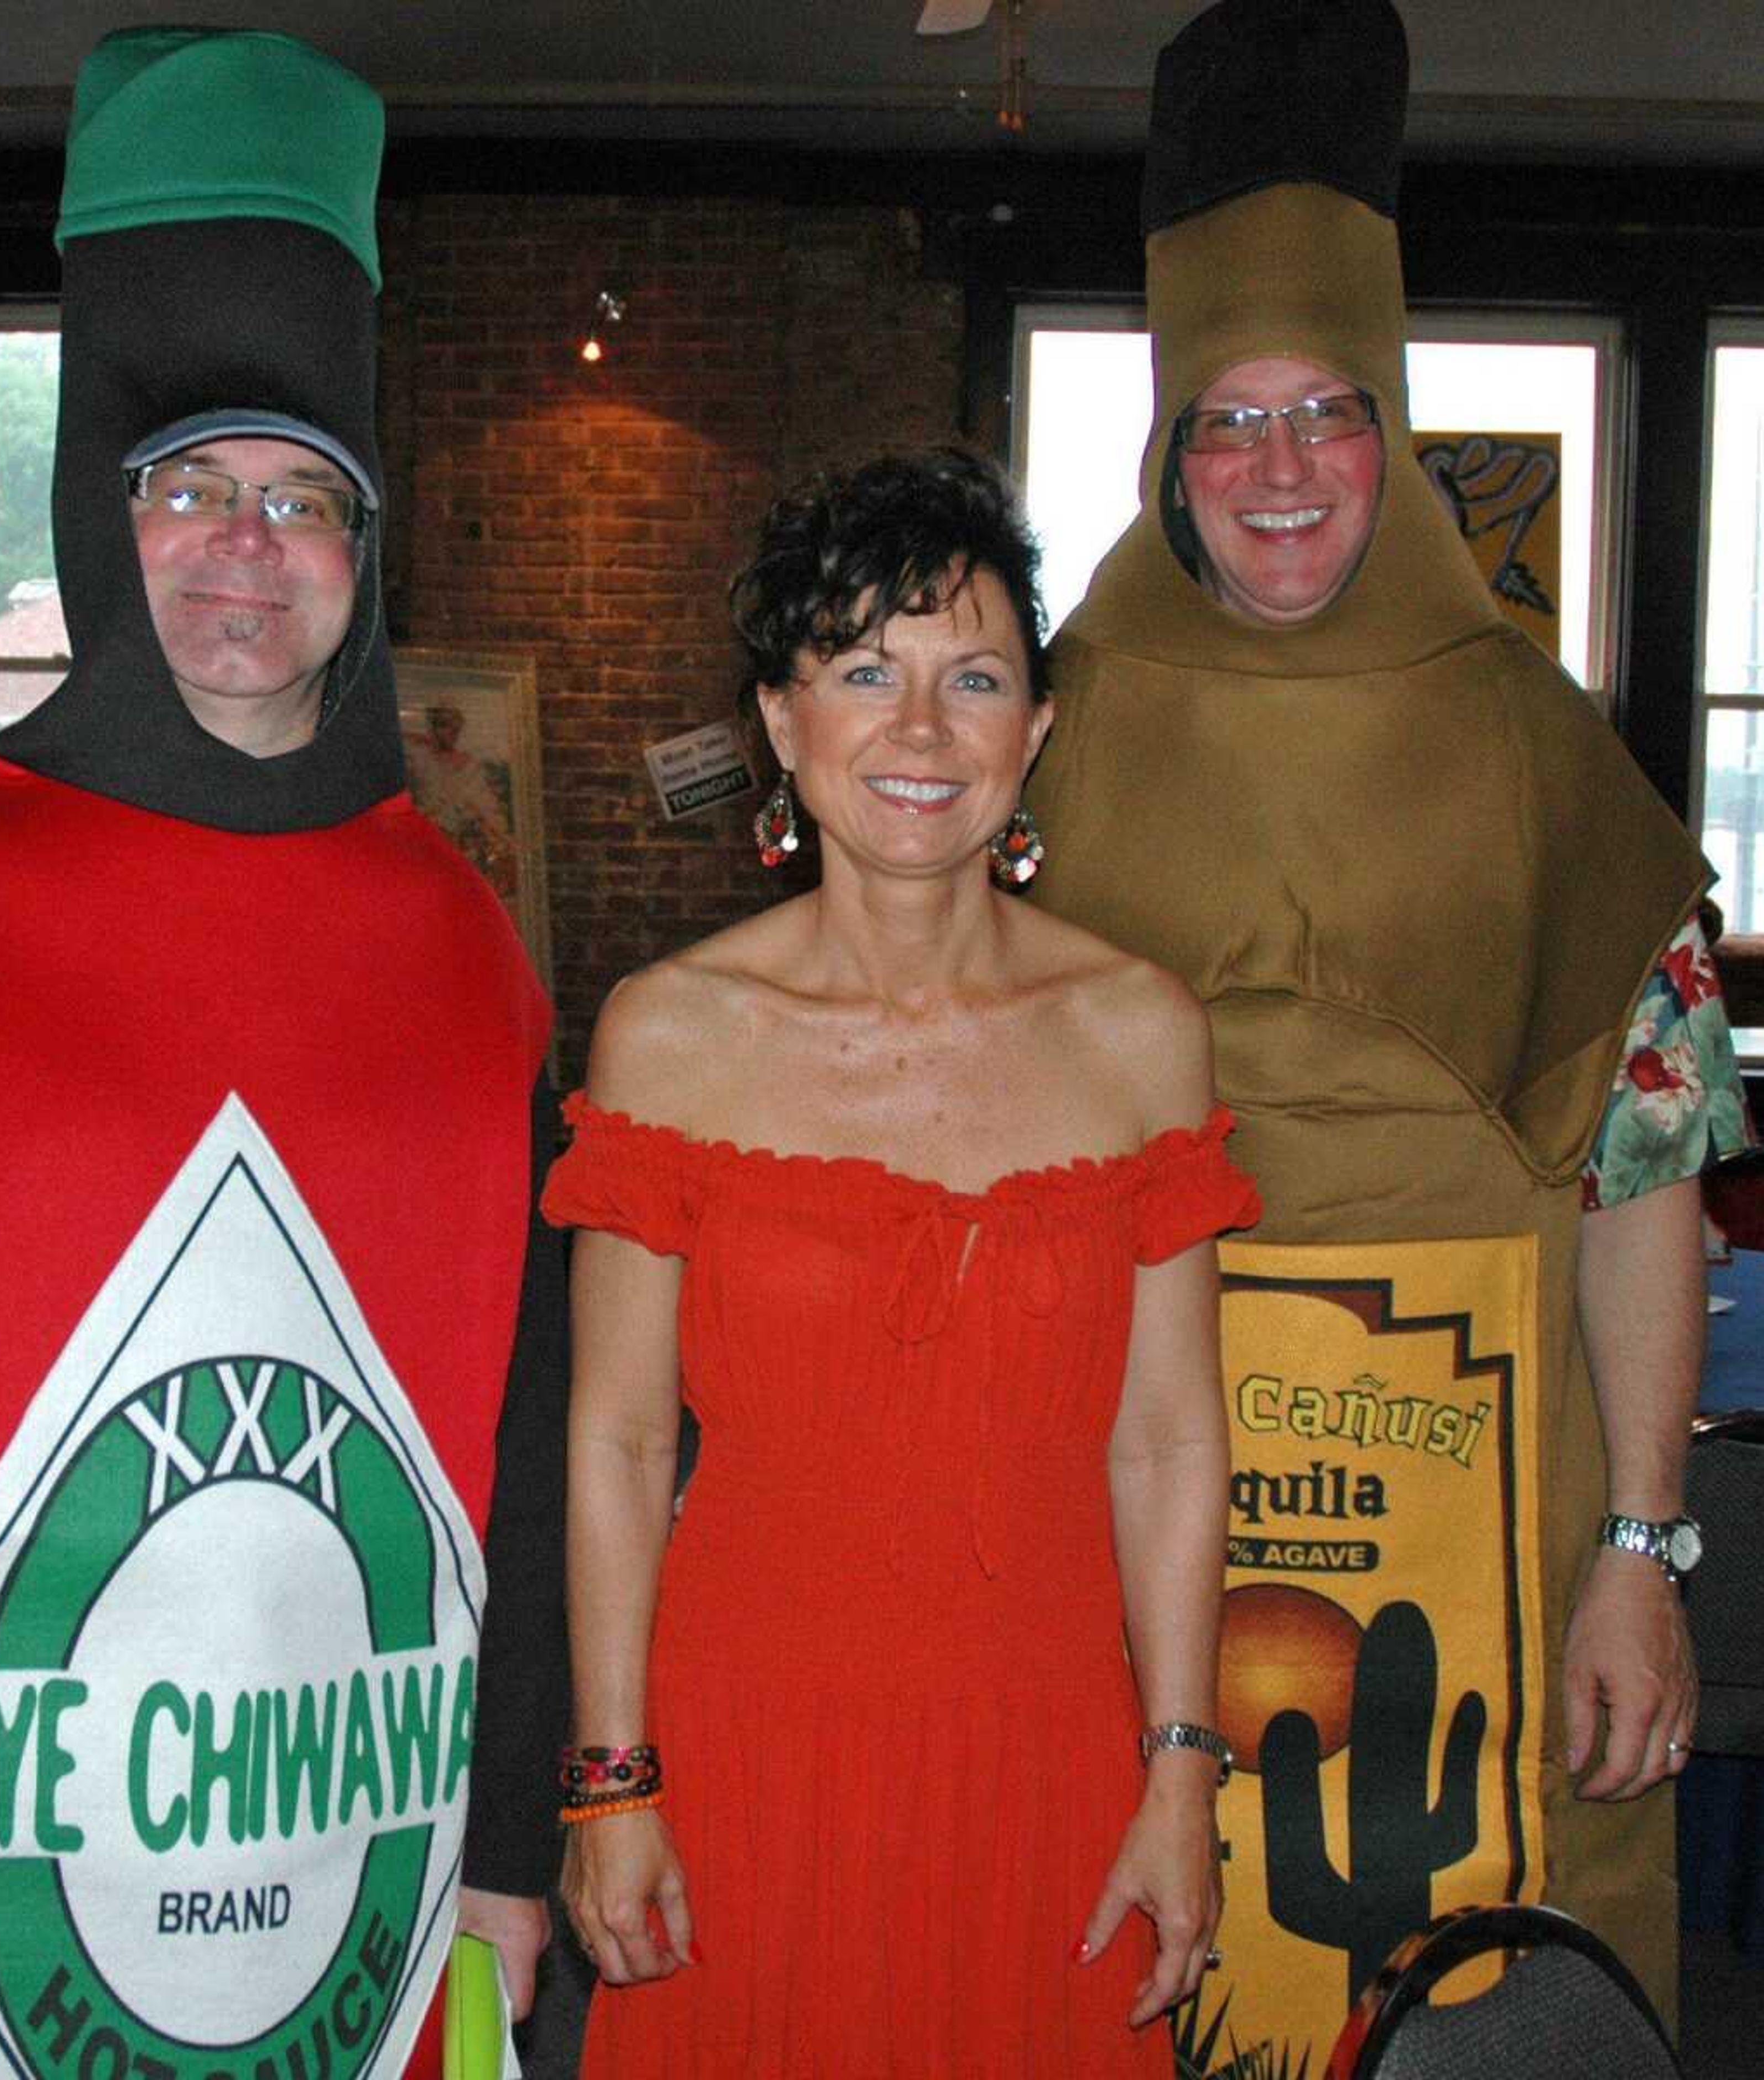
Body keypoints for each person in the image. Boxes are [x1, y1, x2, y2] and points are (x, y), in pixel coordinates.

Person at [0, 29, 566, 2080]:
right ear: (101, 513)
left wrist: (508, 1817)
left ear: (366, 553)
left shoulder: (468, 943)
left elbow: (517, 1440)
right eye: (189, 488)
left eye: (300, 499)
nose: (245, 550)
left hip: (361, 1878)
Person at [1022, 0, 1746, 2063]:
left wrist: (1641, 1550)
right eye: (1226, 422)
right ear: (1167, 450)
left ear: (1396, 429)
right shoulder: (1031, 731)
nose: (1279, 472)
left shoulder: (1547, 753)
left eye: (1327, 412)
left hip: (1503, 1547)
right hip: (1124, 1522)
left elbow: (1652, 1185)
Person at [542, 448, 1261, 2076]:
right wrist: (612, 1781)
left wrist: (1180, 1769)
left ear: (1038, 731)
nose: (923, 731)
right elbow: (620, 1439)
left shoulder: (1143, 1035)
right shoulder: (671, 1035)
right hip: (743, 1761)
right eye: (865, 671)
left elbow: (1165, 1441)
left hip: (1054, 1765)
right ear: (782, 729)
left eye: (976, 677)